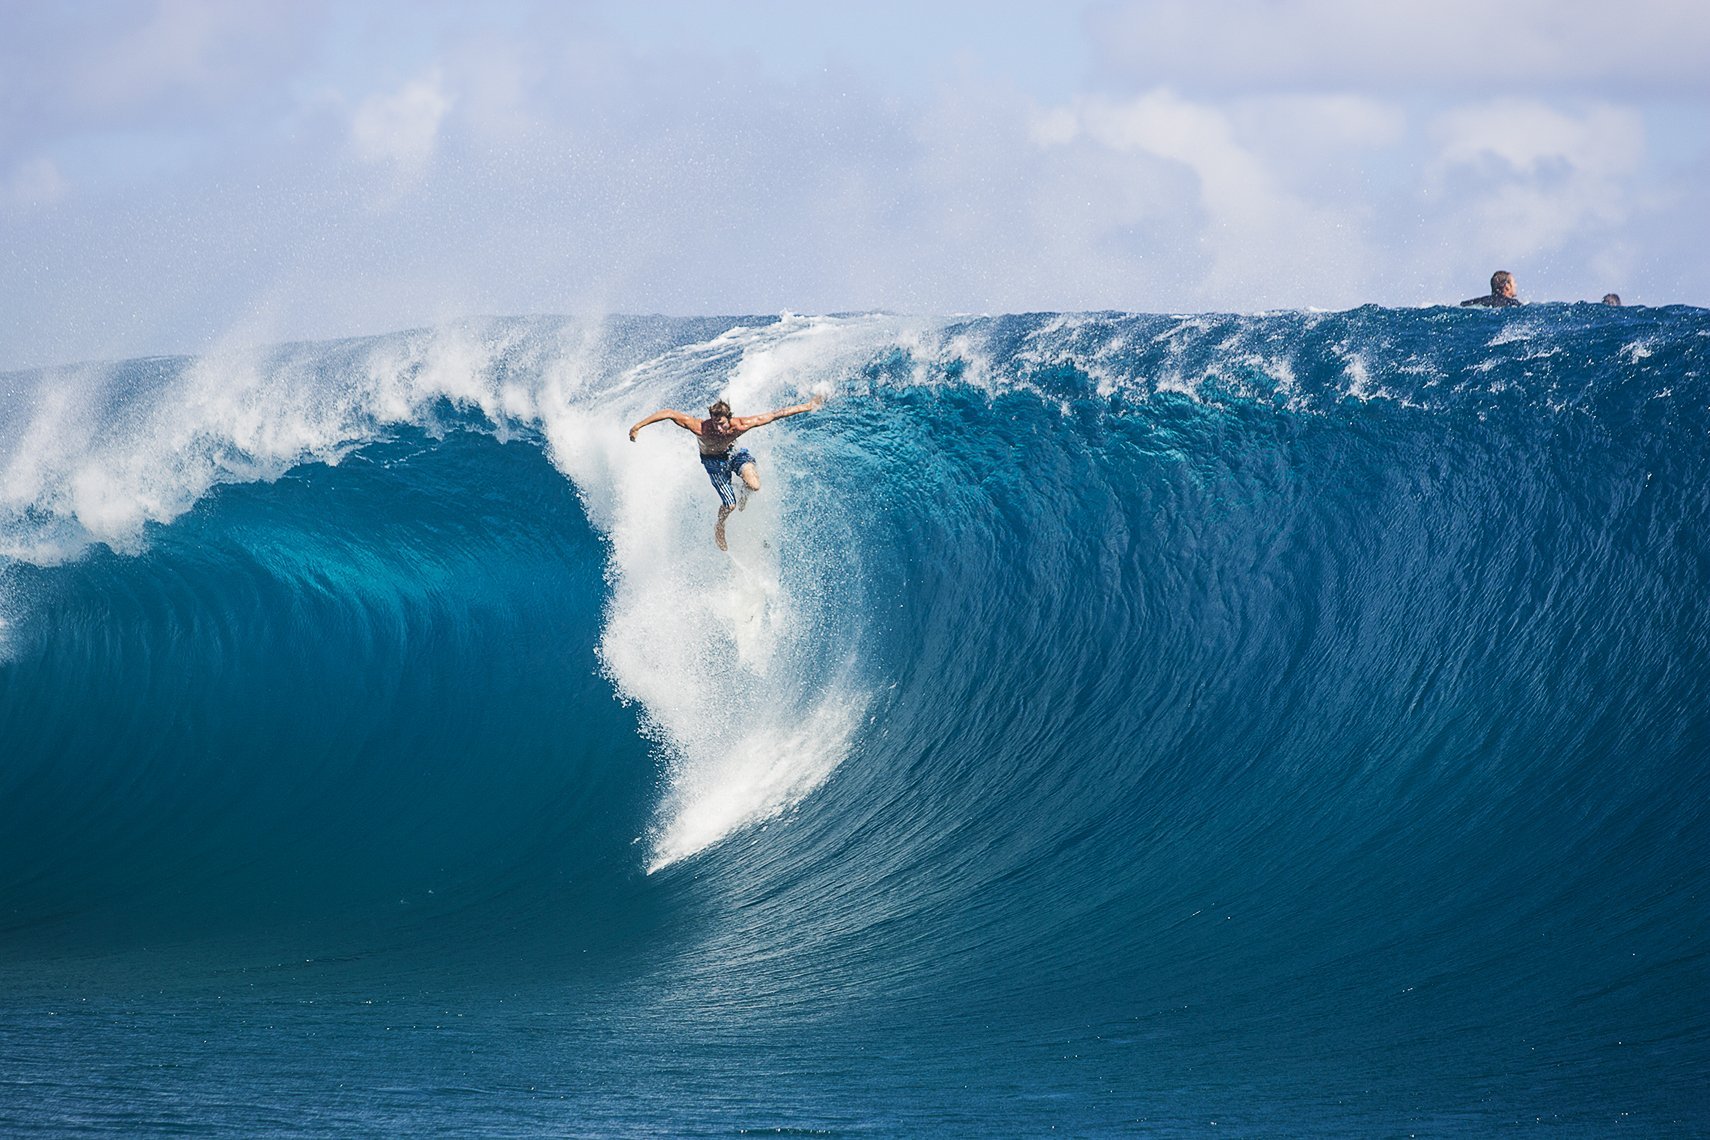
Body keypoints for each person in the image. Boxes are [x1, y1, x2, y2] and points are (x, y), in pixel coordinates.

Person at [628, 395, 824, 550]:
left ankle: (743, 490)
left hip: (734, 454)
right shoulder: (700, 427)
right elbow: (669, 413)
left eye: (721, 423)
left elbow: (774, 415)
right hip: (713, 463)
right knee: (730, 505)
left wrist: (808, 406)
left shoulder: (741, 425)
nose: (718, 428)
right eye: (714, 424)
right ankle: (720, 526)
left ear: (729, 419)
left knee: (754, 486)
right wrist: (638, 426)